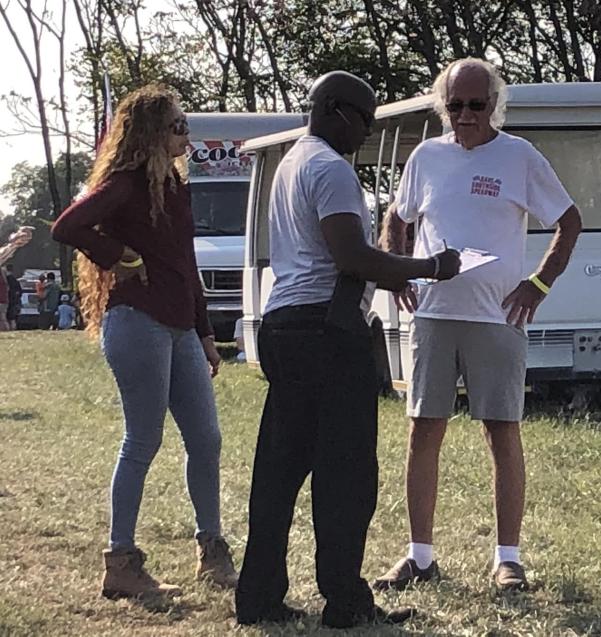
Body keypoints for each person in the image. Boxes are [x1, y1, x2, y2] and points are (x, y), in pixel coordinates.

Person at [234, 70, 460, 627]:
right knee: (346, 477)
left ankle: (258, 596)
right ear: (335, 110)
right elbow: (352, 258)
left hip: (282, 323)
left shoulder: (290, 162)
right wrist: (430, 266)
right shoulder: (331, 169)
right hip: (328, 333)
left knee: (279, 473)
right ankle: (345, 602)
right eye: (363, 119)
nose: (364, 132)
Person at [375, 58, 582, 593]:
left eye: (476, 105)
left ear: (495, 104)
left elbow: (568, 221)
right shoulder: (425, 156)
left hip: (498, 317)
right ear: (442, 106)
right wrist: (396, 271)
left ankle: (508, 559)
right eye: (455, 105)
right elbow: (398, 217)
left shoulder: (519, 157)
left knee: (501, 433)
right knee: (424, 431)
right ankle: (420, 557)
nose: (464, 116)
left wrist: (538, 284)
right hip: (434, 318)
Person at [51, 84, 237, 600]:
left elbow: (186, 261)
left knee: (207, 438)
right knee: (143, 439)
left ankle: (212, 550)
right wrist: (117, 255)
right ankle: (121, 562)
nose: (187, 134)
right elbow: (68, 226)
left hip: (179, 328)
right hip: (137, 322)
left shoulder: (176, 186)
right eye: (179, 126)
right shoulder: (126, 183)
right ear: (153, 132)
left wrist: (204, 333)